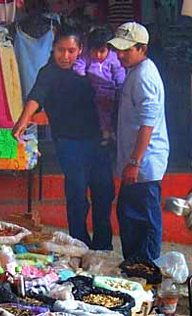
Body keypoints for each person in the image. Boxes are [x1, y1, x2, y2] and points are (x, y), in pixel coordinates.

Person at [12, 25, 115, 250]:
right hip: (68, 143)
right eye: (61, 50)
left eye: (71, 50)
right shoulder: (48, 73)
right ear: (53, 49)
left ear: (80, 50)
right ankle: (79, 244)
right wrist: (23, 120)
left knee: (103, 194)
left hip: (99, 142)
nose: (65, 56)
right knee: (77, 196)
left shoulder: (92, 70)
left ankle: (103, 247)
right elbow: (36, 96)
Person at [109, 22, 169, 263]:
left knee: (143, 220)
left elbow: (148, 125)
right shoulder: (135, 71)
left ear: (142, 48)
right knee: (129, 217)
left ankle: (147, 267)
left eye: (126, 50)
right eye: (118, 49)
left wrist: (134, 161)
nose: (120, 54)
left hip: (143, 164)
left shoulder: (144, 76)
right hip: (136, 163)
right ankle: (135, 266)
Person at [73, 26, 126, 145]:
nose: (97, 55)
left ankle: (109, 132)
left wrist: (120, 90)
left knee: (110, 110)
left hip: (110, 92)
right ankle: (105, 132)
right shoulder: (86, 57)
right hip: (93, 91)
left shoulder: (113, 59)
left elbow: (120, 75)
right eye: (94, 51)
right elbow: (79, 65)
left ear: (108, 49)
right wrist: (82, 75)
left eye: (102, 51)